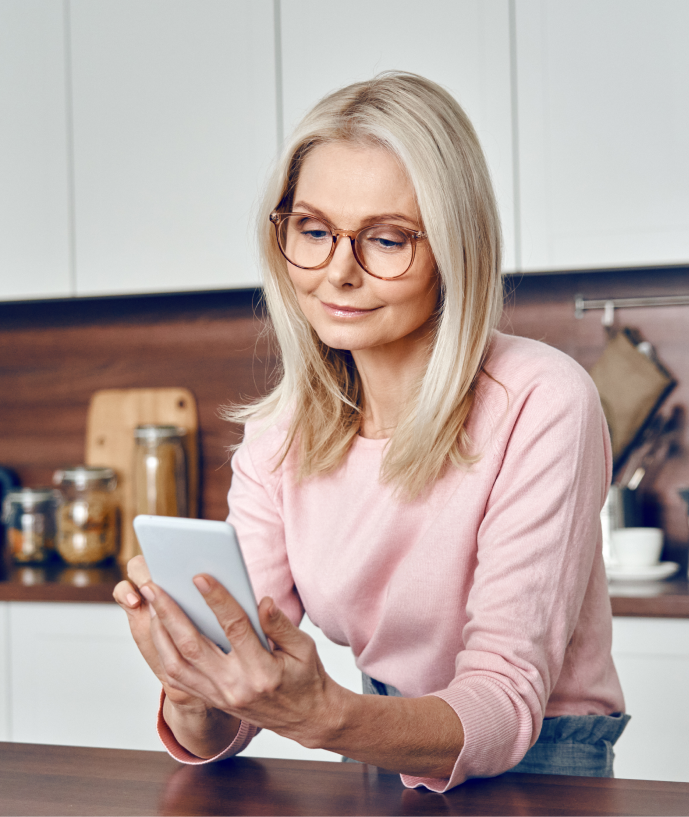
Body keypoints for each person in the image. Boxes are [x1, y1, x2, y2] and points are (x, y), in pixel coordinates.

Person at [113, 71, 627, 792]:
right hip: (380, 735)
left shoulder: (542, 400)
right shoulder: (278, 436)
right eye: (314, 230)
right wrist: (196, 689)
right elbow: (235, 713)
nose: (338, 273)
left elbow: (506, 703)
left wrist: (326, 718)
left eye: (387, 239)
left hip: (544, 763)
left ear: (454, 248)